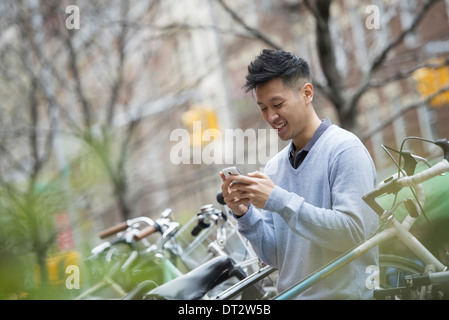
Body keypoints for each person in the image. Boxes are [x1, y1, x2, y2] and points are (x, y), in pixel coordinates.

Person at [220, 49, 378, 299]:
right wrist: (245, 214)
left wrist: (278, 200)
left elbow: (354, 234)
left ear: (307, 93)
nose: (271, 117)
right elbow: (276, 255)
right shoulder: (275, 167)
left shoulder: (345, 150)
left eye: (277, 104)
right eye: (263, 108)